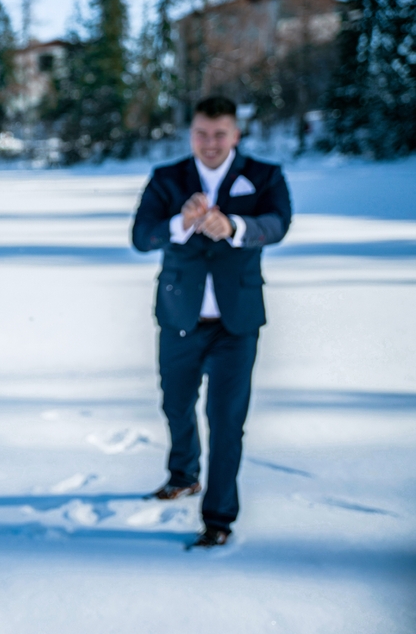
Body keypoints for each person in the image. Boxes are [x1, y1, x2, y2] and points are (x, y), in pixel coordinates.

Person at [131, 96, 292, 548]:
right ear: (191, 134)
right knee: (175, 405)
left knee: (226, 420)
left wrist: (237, 228)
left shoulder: (264, 176)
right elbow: (141, 237)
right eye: (202, 133)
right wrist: (179, 224)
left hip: (235, 326)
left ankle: (218, 519)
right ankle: (183, 474)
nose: (210, 143)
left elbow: (279, 223)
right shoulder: (168, 179)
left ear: (236, 135)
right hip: (179, 319)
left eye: (220, 134)